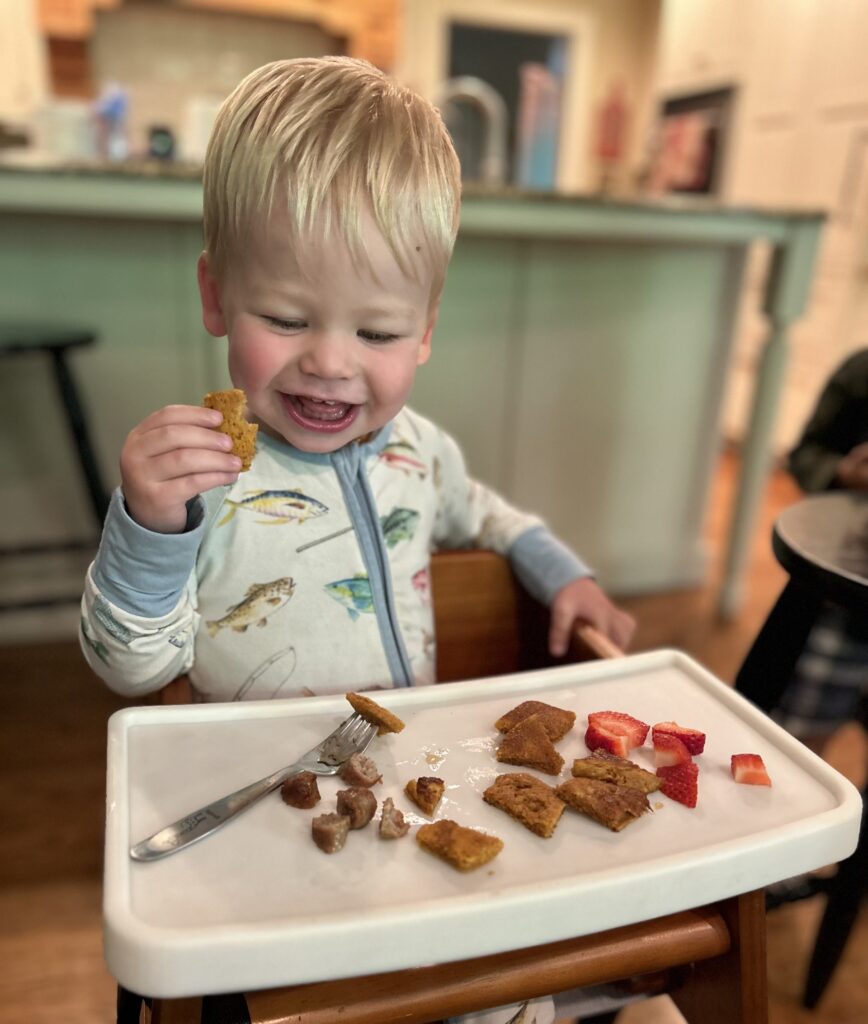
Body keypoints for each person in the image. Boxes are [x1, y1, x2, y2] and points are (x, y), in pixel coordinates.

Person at [80, 57, 635, 1024]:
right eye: (285, 317)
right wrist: (149, 529)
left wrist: (565, 574)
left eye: (378, 331)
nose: (329, 361)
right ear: (216, 297)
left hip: (404, 794)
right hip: (253, 821)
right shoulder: (200, 474)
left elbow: (487, 518)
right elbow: (130, 670)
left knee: (501, 986)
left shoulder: (422, 452)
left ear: (425, 329)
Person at [770, 348, 868, 752]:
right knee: (794, 748)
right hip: (843, 602)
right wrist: (844, 472)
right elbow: (806, 454)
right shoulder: (861, 371)